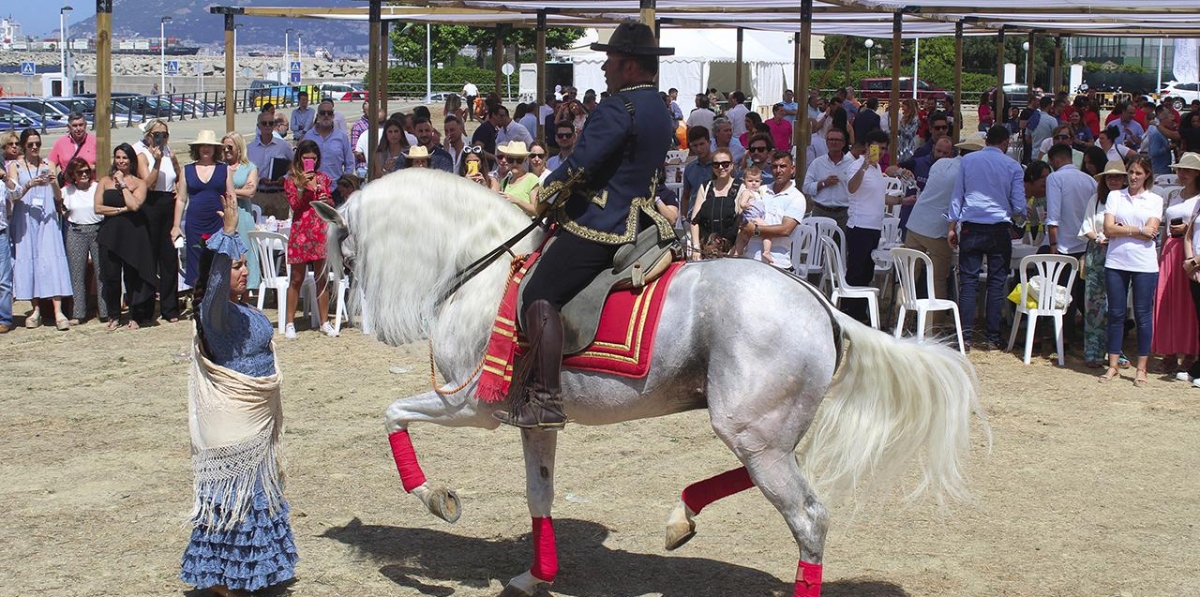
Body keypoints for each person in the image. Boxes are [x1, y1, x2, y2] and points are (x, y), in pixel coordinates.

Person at [494, 22, 675, 430]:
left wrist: (547, 193)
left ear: (629, 65)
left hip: (604, 222)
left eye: (610, 60)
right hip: (645, 218)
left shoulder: (617, 107)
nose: (605, 68)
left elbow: (580, 165)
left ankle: (545, 399)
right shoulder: (659, 108)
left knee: (539, 291)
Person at [180, 193, 298, 597]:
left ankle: (252, 572)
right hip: (235, 424)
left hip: (257, 424)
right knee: (233, 499)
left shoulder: (242, 309)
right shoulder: (217, 315)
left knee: (258, 495)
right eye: (236, 267)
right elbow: (213, 287)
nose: (243, 273)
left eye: (245, 265)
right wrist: (227, 234)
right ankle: (224, 579)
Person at [947, 125, 1027, 350]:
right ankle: (992, 336)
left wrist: (952, 227)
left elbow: (957, 196)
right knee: (996, 282)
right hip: (998, 227)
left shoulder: (968, 161)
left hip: (972, 225)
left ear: (986, 140)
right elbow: (1020, 205)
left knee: (969, 283)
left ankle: (965, 337)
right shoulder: (1013, 166)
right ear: (1005, 142)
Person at [1097, 155, 1161, 386]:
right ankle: (1112, 364)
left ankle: (1141, 368)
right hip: (1116, 261)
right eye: (1131, 172)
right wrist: (1137, 230)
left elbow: (1152, 231)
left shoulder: (1155, 199)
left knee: (1143, 315)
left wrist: (1123, 229)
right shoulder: (1115, 196)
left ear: (1147, 176)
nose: (1133, 177)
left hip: (1144, 263)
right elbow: (1108, 228)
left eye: (1138, 173)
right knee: (1115, 314)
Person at [904, 135, 978, 318]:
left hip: (916, 222)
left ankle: (904, 320)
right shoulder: (967, 172)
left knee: (910, 277)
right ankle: (934, 327)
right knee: (938, 280)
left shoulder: (940, 164)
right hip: (937, 228)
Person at [5, 129, 71, 330]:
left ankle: (58, 311)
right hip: (25, 218)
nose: (34, 147)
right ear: (24, 146)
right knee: (31, 259)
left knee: (51, 260)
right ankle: (36, 310)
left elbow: (59, 198)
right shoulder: (15, 167)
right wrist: (29, 185)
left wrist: (53, 184)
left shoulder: (47, 164)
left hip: (46, 217)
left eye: (38, 144)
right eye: (31, 144)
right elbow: (13, 196)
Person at [94, 143, 156, 331]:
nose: (120, 161)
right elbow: (98, 208)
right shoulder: (105, 181)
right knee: (111, 277)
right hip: (110, 235)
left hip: (133, 235)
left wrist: (122, 185)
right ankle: (114, 315)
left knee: (132, 277)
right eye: (118, 157)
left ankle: (135, 315)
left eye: (124, 158)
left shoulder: (139, 183)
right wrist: (121, 209)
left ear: (131, 161)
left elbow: (135, 205)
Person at [282, 140, 338, 339]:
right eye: (306, 159)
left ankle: (324, 321)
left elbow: (330, 202)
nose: (310, 163)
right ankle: (289, 322)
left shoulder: (323, 178)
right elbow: (294, 205)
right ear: (299, 159)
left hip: (319, 230)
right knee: (296, 278)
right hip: (301, 232)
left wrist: (327, 200)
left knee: (321, 278)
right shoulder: (291, 180)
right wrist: (301, 187)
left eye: (313, 159)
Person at [844, 129, 898, 322]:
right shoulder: (857, 165)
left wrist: (901, 200)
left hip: (874, 227)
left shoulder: (877, 170)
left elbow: (878, 197)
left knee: (866, 273)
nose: (880, 151)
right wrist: (864, 166)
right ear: (867, 147)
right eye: (877, 147)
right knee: (856, 273)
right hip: (860, 227)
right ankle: (849, 314)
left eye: (883, 148)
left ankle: (860, 314)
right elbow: (851, 188)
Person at [1152, 153, 1200, 374]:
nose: (1182, 174)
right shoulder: (1174, 196)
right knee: (1167, 302)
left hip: (1189, 250)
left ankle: (1190, 352)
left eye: (1188, 170)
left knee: (1189, 304)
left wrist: (1187, 227)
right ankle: (1169, 351)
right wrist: (1161, 251)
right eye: (1181, 170)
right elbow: (1166, 225)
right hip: (1171, 249)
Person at [1044, 143, 1095, 345]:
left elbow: (1053, 215)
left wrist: (1053, 243)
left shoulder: (1055, 178)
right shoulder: (1089, 180)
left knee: (1062, 293)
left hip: (1064, 244)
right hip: (1084, 243)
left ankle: (1063, 336)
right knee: (1080, 293)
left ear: (1056, 160)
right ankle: (1074, 334)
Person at [134, 119, 185, 322]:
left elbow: (180, 177)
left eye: (164, 134)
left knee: (169, 257)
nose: (161, 138)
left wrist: (173, 164)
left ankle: (170, 307)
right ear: (148, 135)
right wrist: (156, 161)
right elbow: (148, 184)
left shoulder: (169, 153)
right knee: (149, 257)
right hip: (150, 204)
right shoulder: (142, 155)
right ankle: (145, 309)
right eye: (157, 134)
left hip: (168, 202)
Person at [1078, 161, 1124, 368]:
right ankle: (1093, 350)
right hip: (1097, 253)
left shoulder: (1128, 201)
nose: (1114, 180)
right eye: (1110, 177)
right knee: (1094, 304)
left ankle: (1116, 350)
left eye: (1117, 177)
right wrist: (1097, 238)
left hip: (1121, 252)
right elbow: (1086, 227)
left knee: (1116, 303)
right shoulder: (1096, 200)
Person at [183, 131, 236, 288]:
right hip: (194, 223)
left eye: (209, 145)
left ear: (215, 149)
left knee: (218, 262)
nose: (206, 148)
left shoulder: (224, 169)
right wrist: (174, 226)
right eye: (202, 145)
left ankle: (217, 306)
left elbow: (231, 197)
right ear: (197, 148)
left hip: (218, 221)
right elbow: (180, 199)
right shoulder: (186, 169)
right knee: (196, 265)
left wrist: (232, 222)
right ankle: (198, 306)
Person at [742, 151, 806, 267]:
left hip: (777, 263)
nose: (778, 170)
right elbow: (744, 213)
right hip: (749, 259)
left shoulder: (796, 198)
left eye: (782, 166)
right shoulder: (761, 190)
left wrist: (755, 230)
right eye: (775, 166)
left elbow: (785, 230)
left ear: (792, 169)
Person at [61, 157, 104, 324]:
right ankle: (78, 313)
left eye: (87, 171)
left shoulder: (97, 187)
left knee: (101, 273)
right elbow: (63, 210)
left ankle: (105, 311)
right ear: (73, 175)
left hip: (97, 229)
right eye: (80, 172)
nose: (85, 174)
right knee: (77, 274)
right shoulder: (67, 191)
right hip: (76, 231)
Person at [688, 149, 747, 259]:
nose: (721, 168)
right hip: (706, 250)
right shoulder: (705, 187)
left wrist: (736, 248)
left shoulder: (741, 187)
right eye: (716, 164)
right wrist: (696, 248)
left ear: (732, 165)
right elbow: (694, 221)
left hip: (731, 251)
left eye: (725, 164)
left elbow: (741, 223)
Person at [222, 132, 261, 294]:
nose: (226, 151)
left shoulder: (249, 168)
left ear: (239, 148)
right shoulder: (220, 166)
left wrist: (229, 191)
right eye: (223, 148)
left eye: (230, 147)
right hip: (224, 214)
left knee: (245, 255)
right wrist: (239, 190)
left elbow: (250, 191)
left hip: (243, 215)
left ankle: (245, 295)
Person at [802, 128, 854, 229]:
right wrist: (823, 183)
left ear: (843, 143)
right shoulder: (817, 163)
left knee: (842, 244)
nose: (834, 142)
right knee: (818, 244)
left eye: (838, 140)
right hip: (821, 211)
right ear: (826, 142)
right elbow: (806, 187)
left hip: (844, 213)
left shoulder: (852, 164)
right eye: (831, 139)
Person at [246, 112, 294, 221]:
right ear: (258, 126)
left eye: (270, 123)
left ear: (274, 126)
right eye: (264, 123)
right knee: (258, 229)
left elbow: (295, 164)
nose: (267, 126)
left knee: (280, 230)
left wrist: (285, 177)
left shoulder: (284, 146)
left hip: (279, 195)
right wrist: (259, 180)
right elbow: (245, 171)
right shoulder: (250, 148)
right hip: (258, 195)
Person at [308, 99, 355, 182]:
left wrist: (343, 182)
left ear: (333, 116)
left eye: (329, 113)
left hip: (336, 188)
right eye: (323, 113)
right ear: (318, 116)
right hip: (312, 188)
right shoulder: (309, 136)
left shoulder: (341, 137)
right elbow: (299, 161)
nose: (326, 115)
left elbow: (350, 163)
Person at [0, 132, 17, 333]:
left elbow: (16, 193)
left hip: (1, 230)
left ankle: (4, 317)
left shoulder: (5, 173)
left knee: (3, 279)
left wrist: (5, 178)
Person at [497, 141, 541, 217]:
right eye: (510, 159)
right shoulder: (505, 181)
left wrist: (516, 201)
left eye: (519, 160)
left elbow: (536, 211)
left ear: (525, 160)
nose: (514, 163)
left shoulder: (532, 179)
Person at [681, 126, 714, 217]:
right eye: (695, 145)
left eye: (702, 144)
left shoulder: (721, 165)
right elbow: (686, 195)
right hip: (695, 217)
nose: (699, 149)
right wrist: (683, 217)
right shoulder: (689, 168)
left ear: (709, 143)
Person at [897, 99, 922, 163]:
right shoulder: (904, 117)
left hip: (910, 146)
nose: (902, 108)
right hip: (901, 145)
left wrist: (902, 125)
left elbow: (910, 134)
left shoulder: (915, 119)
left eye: (903, 106)